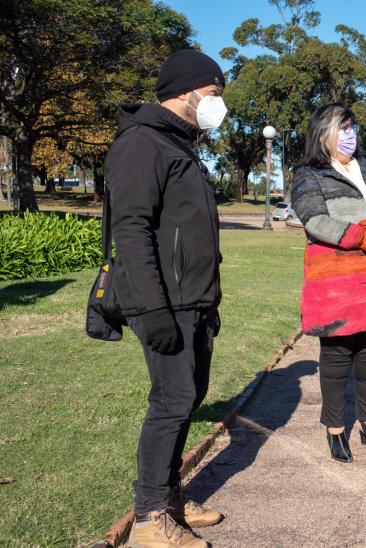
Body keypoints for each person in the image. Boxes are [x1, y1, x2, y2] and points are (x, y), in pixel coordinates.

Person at [106, 49, 226, 548]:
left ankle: (171, 497)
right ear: (187, 91)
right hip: (163, 302)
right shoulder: (142, 143)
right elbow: (130, 229)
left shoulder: (181, 144)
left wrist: (208, 303)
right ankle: (151, 519)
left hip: (192, 301)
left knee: (188, 397)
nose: (219, 106)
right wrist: (152, 308)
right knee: (171, 400)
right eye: (215, 94)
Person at [291, 104, 366, 463]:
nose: (350, 134)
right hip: (337, 275)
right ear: (322, 133)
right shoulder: (308, 174)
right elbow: (315, 220)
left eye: (352, 127)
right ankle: (334, 430)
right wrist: (364, 237)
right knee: (336, 354)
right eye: (341, 128)